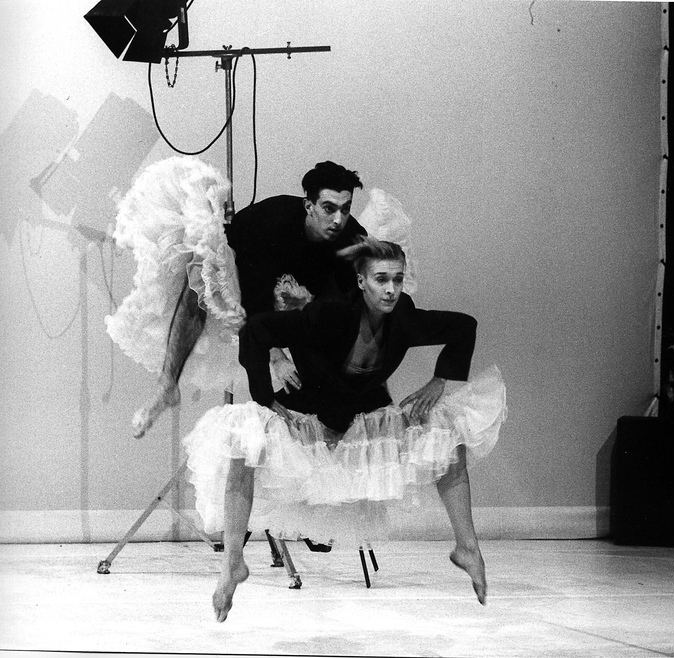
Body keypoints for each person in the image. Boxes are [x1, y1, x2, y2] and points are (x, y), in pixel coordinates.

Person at [182, 236, 506, 621]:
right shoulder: (329, 314)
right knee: (243, 441)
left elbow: (463, 327)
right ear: (361, 282)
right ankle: (232, 563)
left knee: (446, 434)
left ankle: (467, 547)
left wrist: (439, 382)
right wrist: (266, 398)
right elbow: (256, 331)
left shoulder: (403, 317)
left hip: (359, 422)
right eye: (381, 279)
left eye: (397, 279)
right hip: (309, 418)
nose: (391, 290)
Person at [106, 158, 368, 438]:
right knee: (200, 280)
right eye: (329, 209)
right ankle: (167, 384)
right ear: (309, 206)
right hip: (239, 266)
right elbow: (254, 298)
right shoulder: (275, 224)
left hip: (294, 287)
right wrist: (276, 358)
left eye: (345, 209)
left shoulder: (352, 236)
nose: (338, 219)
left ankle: (331, 415)